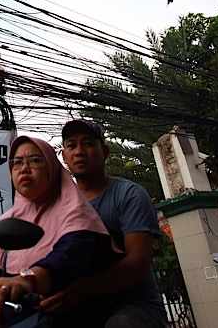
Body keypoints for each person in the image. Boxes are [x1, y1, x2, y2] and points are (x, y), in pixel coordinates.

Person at [0, 135, 118, 326]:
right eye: (17, 163)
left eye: (35, 160)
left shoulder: (76, 215)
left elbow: (66, 258)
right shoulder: (8, 222)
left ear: (52, 169)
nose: (24, 168)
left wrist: (25, 279)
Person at [43, 119, 167, 327]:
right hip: (79, 307)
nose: (79, 152)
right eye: (71, 145)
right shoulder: (56, 204)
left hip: (133, 307)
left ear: (105, 151)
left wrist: (82, 289)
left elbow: (137, 263)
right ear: (64, 156)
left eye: (89, 144)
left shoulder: (129, 194)